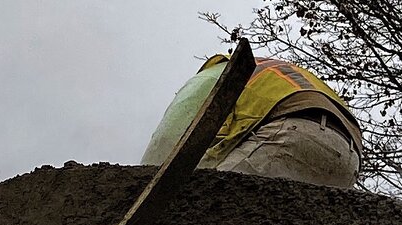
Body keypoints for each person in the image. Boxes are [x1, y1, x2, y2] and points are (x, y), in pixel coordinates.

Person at [143, 53, 363, 188]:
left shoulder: (214, 75)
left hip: (292, 133)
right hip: (349, 160)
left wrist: (138, 186)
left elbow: (170, 137)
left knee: (202, 200)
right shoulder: (277, 73)